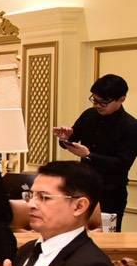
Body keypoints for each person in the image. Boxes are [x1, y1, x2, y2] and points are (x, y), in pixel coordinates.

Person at [56, 73, 137, 229]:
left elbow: (122, 164)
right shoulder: (89, 115)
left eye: (103, 102)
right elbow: (71, 142)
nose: (97, 105)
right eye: (94, 100)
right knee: (74, 232)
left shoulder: (131, 126)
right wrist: (65, 138)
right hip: (82, 187)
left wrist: (88, 155)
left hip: (111, 192)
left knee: (107, 236)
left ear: (121, 99)